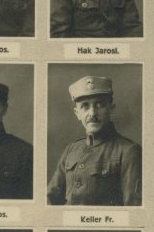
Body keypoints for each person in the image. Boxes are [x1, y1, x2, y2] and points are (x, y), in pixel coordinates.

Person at [48, 75, 143, 206]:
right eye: (85, 106)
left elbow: (133, 208)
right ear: (77, 113)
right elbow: (50, 198)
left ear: (111, 109)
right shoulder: (71, 149)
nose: (92, 113)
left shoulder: (128, 151)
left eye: (100, 105)